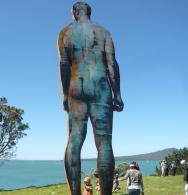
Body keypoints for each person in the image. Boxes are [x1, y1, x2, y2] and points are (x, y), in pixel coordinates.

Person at [58, 2, 124, 195]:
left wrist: (64, 94)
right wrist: (117, 93)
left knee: (74, 140)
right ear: (88, 12)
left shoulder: (66, 32)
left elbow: (63, 64)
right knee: (104, 143)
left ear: (74, 13)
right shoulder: (104, 32)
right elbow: (112, 64)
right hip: (101, 87)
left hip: (76, 87)